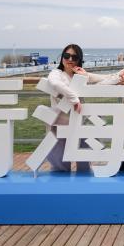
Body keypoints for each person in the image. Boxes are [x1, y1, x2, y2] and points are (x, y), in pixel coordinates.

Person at [45, 43, 90, 172]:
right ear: (62, 57)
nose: (70, 59)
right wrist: (74, 99)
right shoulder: (56, 73)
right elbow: (55, 83)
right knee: (60, 165)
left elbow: (101, 79)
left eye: (74, 57)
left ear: (79, 60)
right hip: (60, 123)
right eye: (66, 55)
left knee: (84, 165)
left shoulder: (80, 76)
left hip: (79, 122)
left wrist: (118, 78)